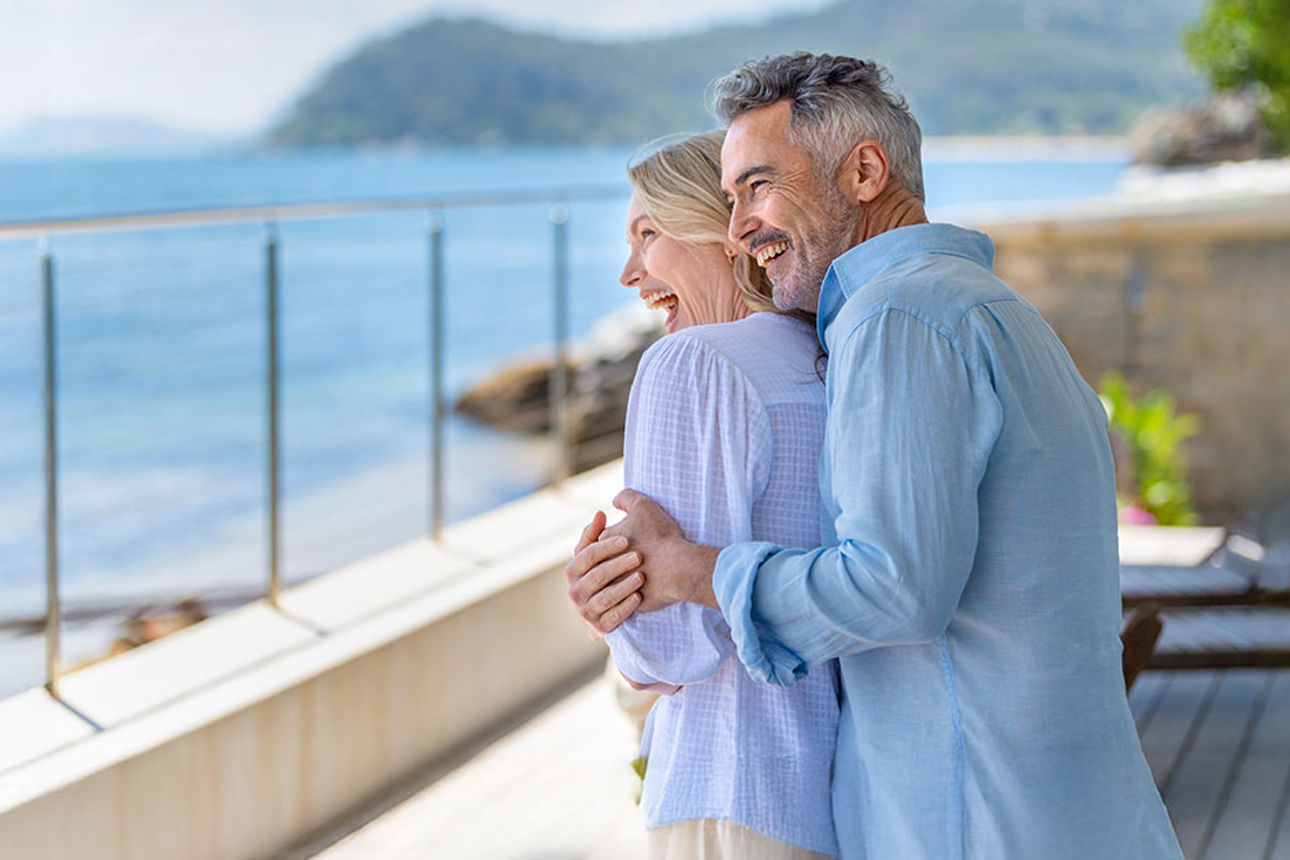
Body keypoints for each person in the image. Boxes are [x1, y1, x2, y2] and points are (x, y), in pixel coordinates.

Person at [566, 53, 1183, 859]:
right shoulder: (993, 311)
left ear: (863, 170)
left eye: (758, 186)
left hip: (974, 818)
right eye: (727, 199)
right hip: (1063, 806)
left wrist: (681, 570)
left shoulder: (900, 321)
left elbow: (893, 588)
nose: (739, 226)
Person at [583, 130, 838, 859]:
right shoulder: (823, 358)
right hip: (829, 786)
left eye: (648, 233)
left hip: (728, 783)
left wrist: (606, 603)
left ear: (725, 233)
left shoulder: (689, 361)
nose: (631, 272)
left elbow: (667, 650)